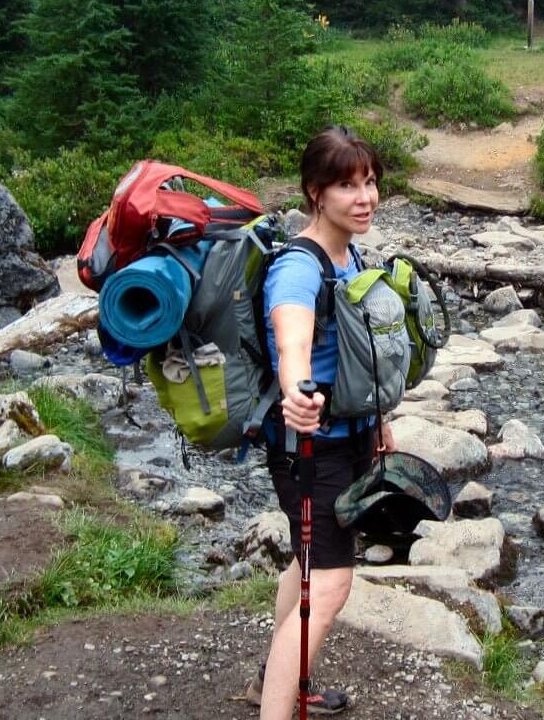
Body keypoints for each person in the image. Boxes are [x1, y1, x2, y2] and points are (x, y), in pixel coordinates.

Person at [246, 126, 396, 719]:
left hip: (349, 437)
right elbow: (294, 347)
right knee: (331, 586)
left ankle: (279, 680)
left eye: (370, 182)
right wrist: (296, 394)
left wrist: (378, 419)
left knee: (304, 566)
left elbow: (355, 351)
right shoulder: (298, 268)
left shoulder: (349, 252)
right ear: (315, 193)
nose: (365, 197)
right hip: (310, 450)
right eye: (346, 186)